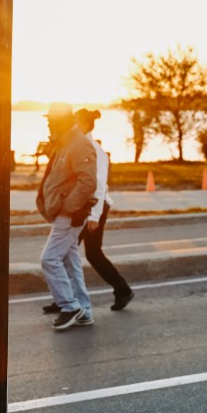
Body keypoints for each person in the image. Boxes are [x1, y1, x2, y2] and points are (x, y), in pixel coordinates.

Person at [36, 102, 97, 330]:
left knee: (49, 259)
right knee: (71, 264)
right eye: (48, 120)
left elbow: (88, 181)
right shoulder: (64, 142)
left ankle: (70, 307)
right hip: (64, 212)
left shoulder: (79, 144)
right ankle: (84, 310)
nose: (48, 125)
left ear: (63, 121)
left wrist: (68, 207)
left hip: (70, 214)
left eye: (52, 121)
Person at [74, 108, 134, 311]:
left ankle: (122, 290)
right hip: (84, 207)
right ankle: (65, 297)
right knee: (70, 253)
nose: (72, 127)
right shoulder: (79, 146)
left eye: (75, 123)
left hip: (95, 207)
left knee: (89, 253)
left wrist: (94, 216)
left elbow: (99, 185)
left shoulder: (95, 150)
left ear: (84, 124)